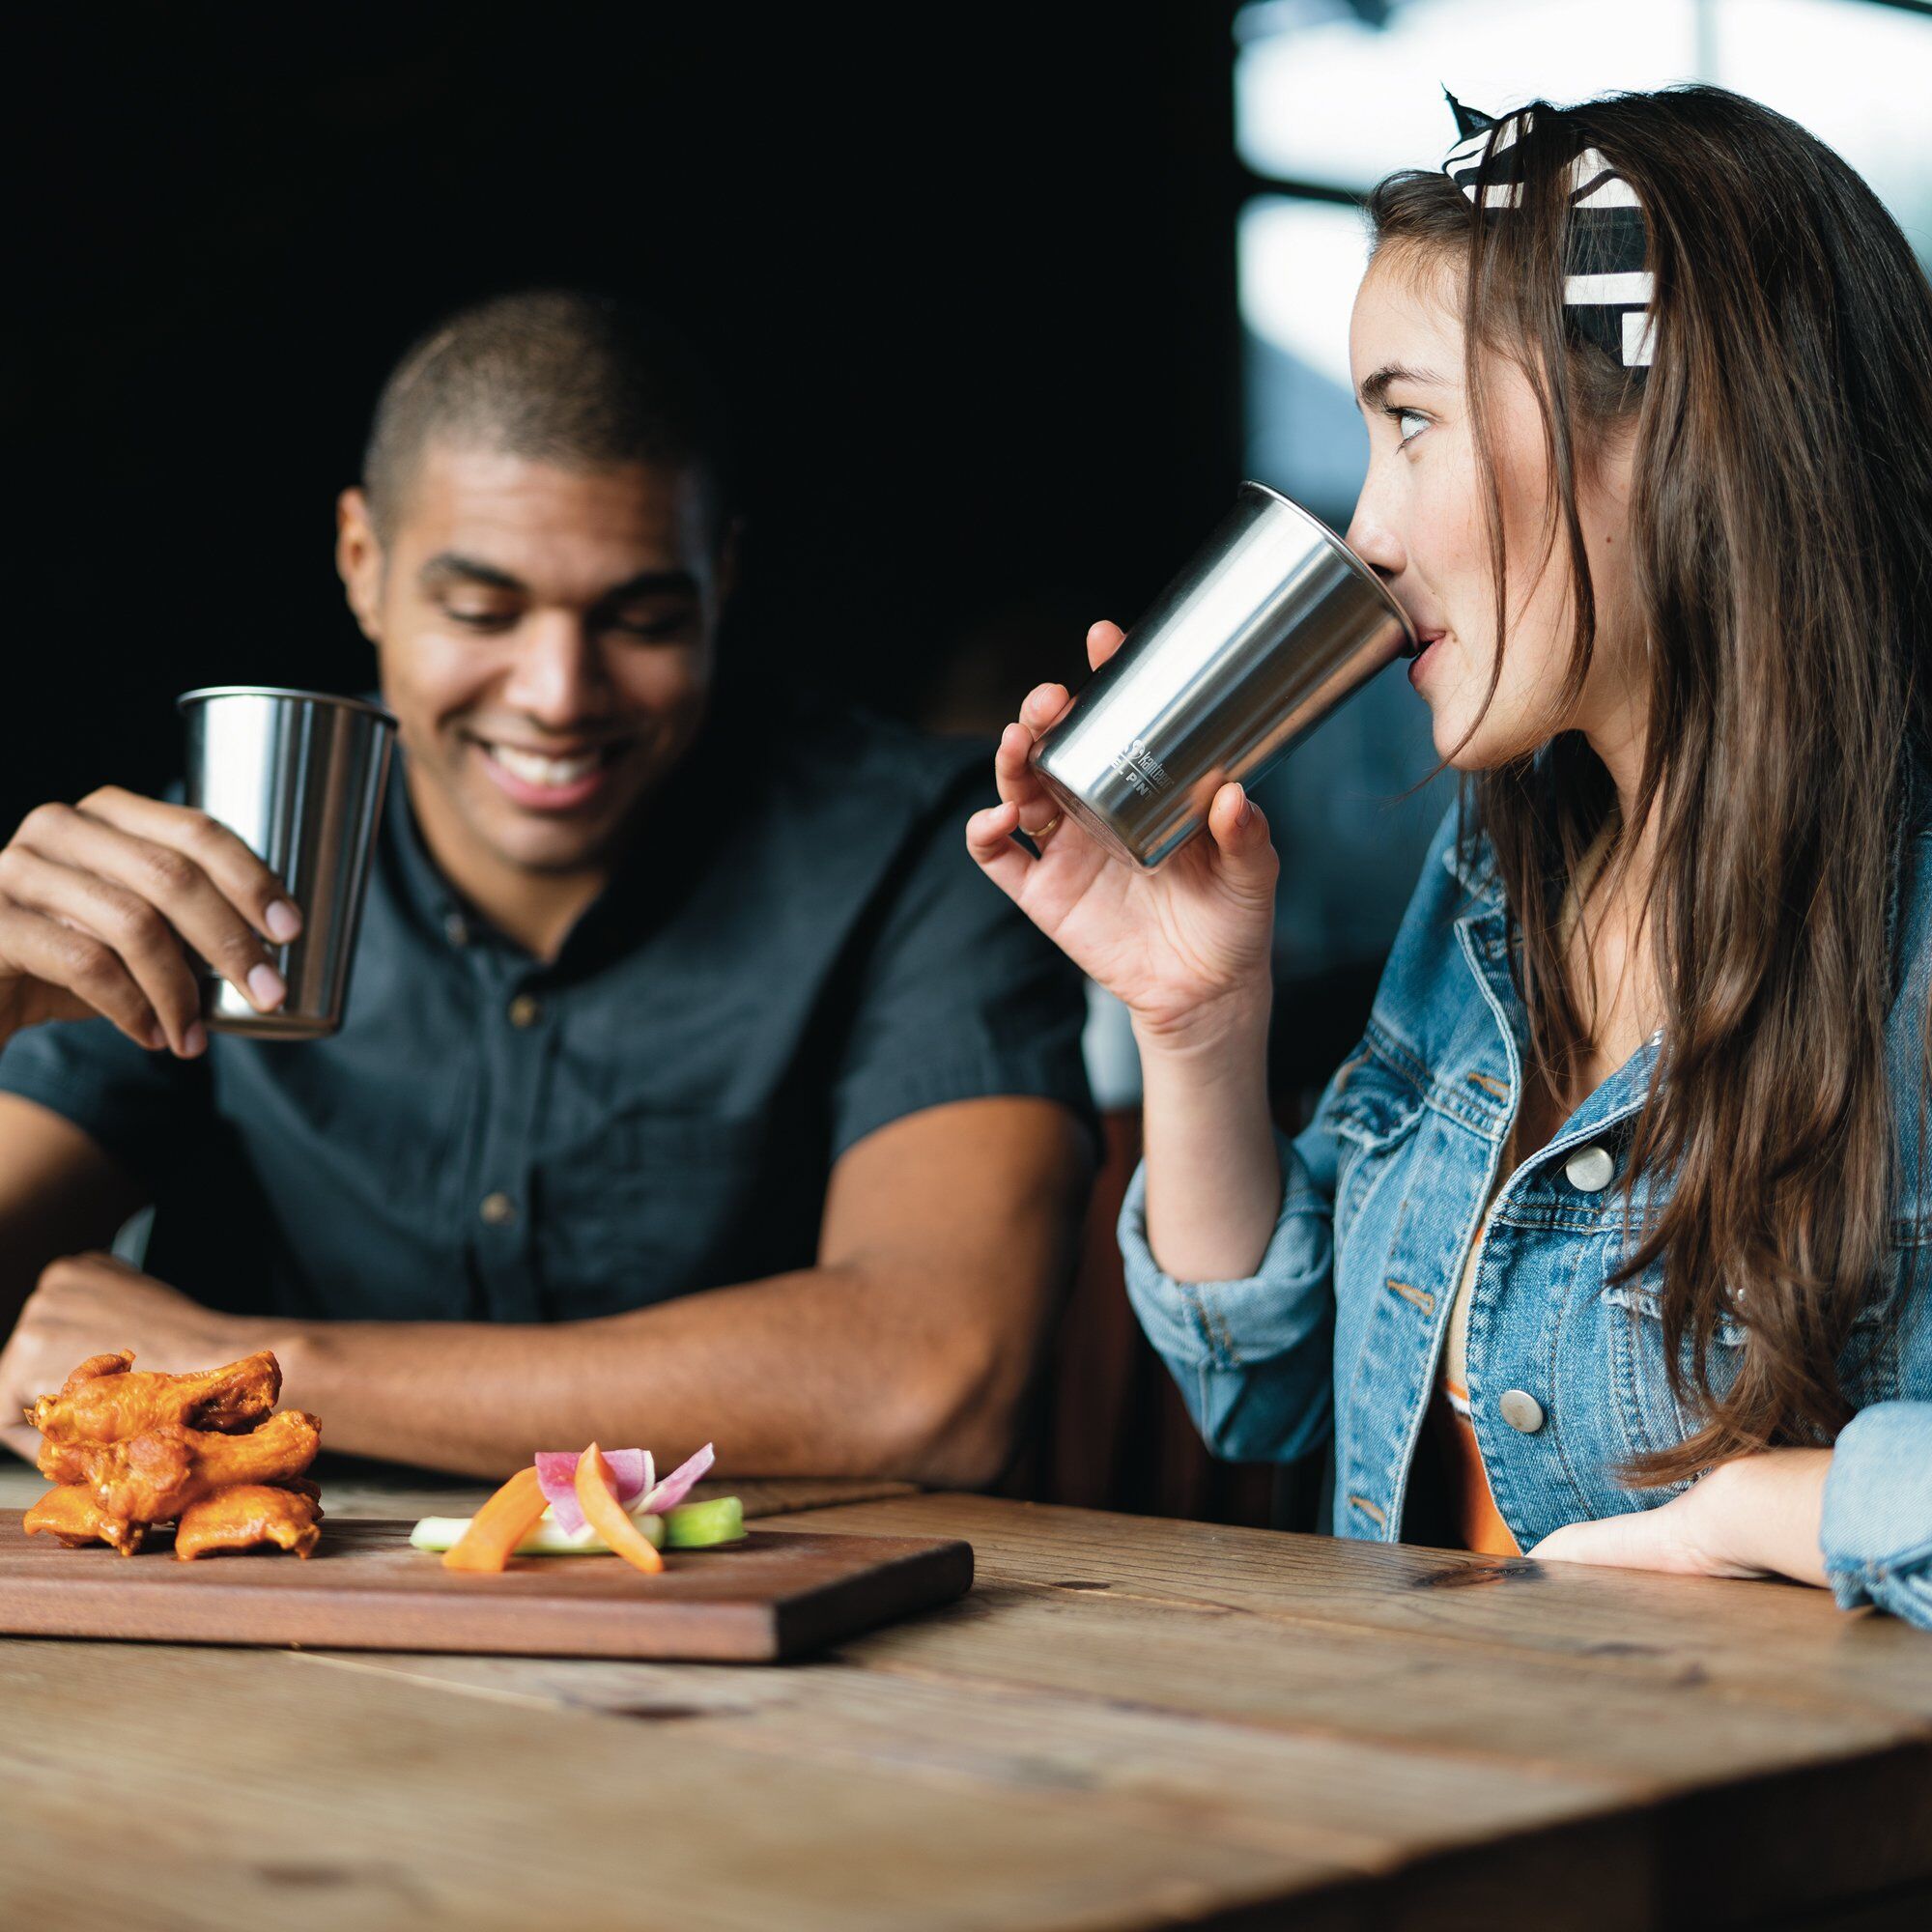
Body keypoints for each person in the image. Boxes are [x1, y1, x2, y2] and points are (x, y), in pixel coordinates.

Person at [969, 86, 1932, 1628]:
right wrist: (1195, 1025)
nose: (1368, 530)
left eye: (1409, 417)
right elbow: (1262, 1393)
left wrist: (1780, 1506)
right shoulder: (1501, 884)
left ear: (1670, 426)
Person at [0, 290, 1094, 1482]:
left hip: (768, 1634)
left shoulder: (923, 847)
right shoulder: (226, 849)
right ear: (362, 565)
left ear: (721, 575)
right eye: (481, 609)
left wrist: (253, 1365)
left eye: (639, 617)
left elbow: (930, 1378)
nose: (560, 692)